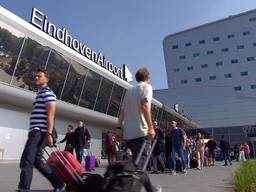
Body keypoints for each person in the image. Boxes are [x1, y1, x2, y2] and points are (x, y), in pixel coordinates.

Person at [18, 68, 64, 192]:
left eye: (39, 76)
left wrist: (49, 134)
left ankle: (23, 189)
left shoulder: (47, 93)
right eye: (36, 76)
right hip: (36, 132)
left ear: (46, 79)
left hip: (39, 132)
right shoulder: (40, 94)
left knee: (26, 160)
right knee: (37, 161)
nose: (36, 78)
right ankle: (58, 184)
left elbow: (51, 115)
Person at [117, 68, 161, 192]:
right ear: (148, 77)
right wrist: (151, 127)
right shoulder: (147, 87)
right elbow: (145, 105)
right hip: (140, 132)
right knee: (138, 169)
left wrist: (119, 127)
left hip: (128, 134)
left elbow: (122, 112)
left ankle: (150, 189)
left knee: (136, 166)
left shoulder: (129, 91)